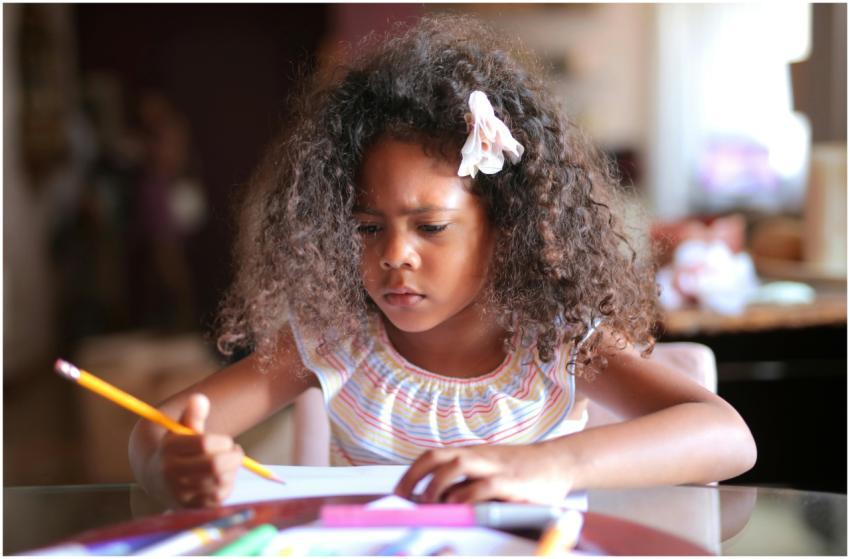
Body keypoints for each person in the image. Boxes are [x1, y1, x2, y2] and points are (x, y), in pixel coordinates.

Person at [129, 14, 756, 509]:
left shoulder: (555, 344)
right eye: (367, 227)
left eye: (430, 227)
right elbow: (155, 430)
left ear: (506, 228)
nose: (393, 255)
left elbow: (728, 436)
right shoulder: (333, 342)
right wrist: (171, 466)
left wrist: (551, 465)